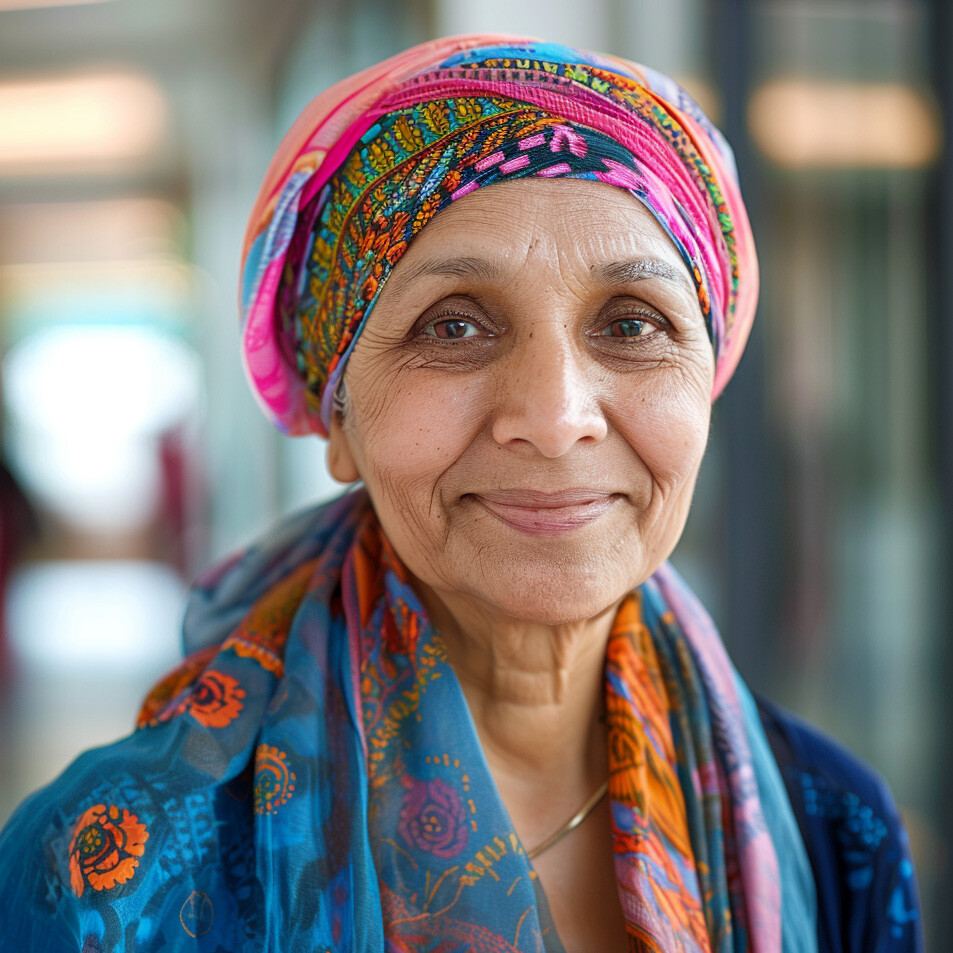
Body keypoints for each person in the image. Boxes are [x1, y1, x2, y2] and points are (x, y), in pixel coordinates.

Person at [0, 35, 924, 953]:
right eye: (455, 324)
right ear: (340, 423)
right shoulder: (106, 877)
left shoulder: (833, 826)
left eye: (632, 323)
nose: (556, 416)